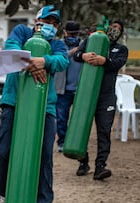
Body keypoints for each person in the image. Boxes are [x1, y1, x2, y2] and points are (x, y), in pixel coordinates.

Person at [0, 5, 69, 203]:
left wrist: (43, 61)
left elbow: (62, 61)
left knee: (44, 156)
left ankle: (44, 200)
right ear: (37, 21)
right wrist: (31, 64)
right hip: (14, 102)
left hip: (46, 108)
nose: (50, 26)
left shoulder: (57, 43)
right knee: (4, 152)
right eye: (47, 22)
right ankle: (5, 192)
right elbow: (11, 49)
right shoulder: (21, 32)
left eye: (54, 24)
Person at [73, 20, 128, 180]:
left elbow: (117, 64)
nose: (114, 30)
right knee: (80, 127)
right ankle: (83, 162)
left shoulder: (121, 49)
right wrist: (83, 55)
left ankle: (100, 167)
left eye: (118, 28)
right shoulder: (90, 41)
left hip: (106, 97)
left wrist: (105, 61)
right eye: (112, 26)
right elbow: (76, 55)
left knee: (104, 132)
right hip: (87, 94)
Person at [54, 21, 83, 153]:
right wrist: (71, 52)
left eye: (75, 34)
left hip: (80, 89)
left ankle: (76, 142)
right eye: (70, 33)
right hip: (62, 89)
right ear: (65, 32)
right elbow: (56, 59)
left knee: (78, 119)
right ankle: (62, 142)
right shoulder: (59, 45)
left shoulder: (84, 45)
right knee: (61, 118)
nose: (72, 36)